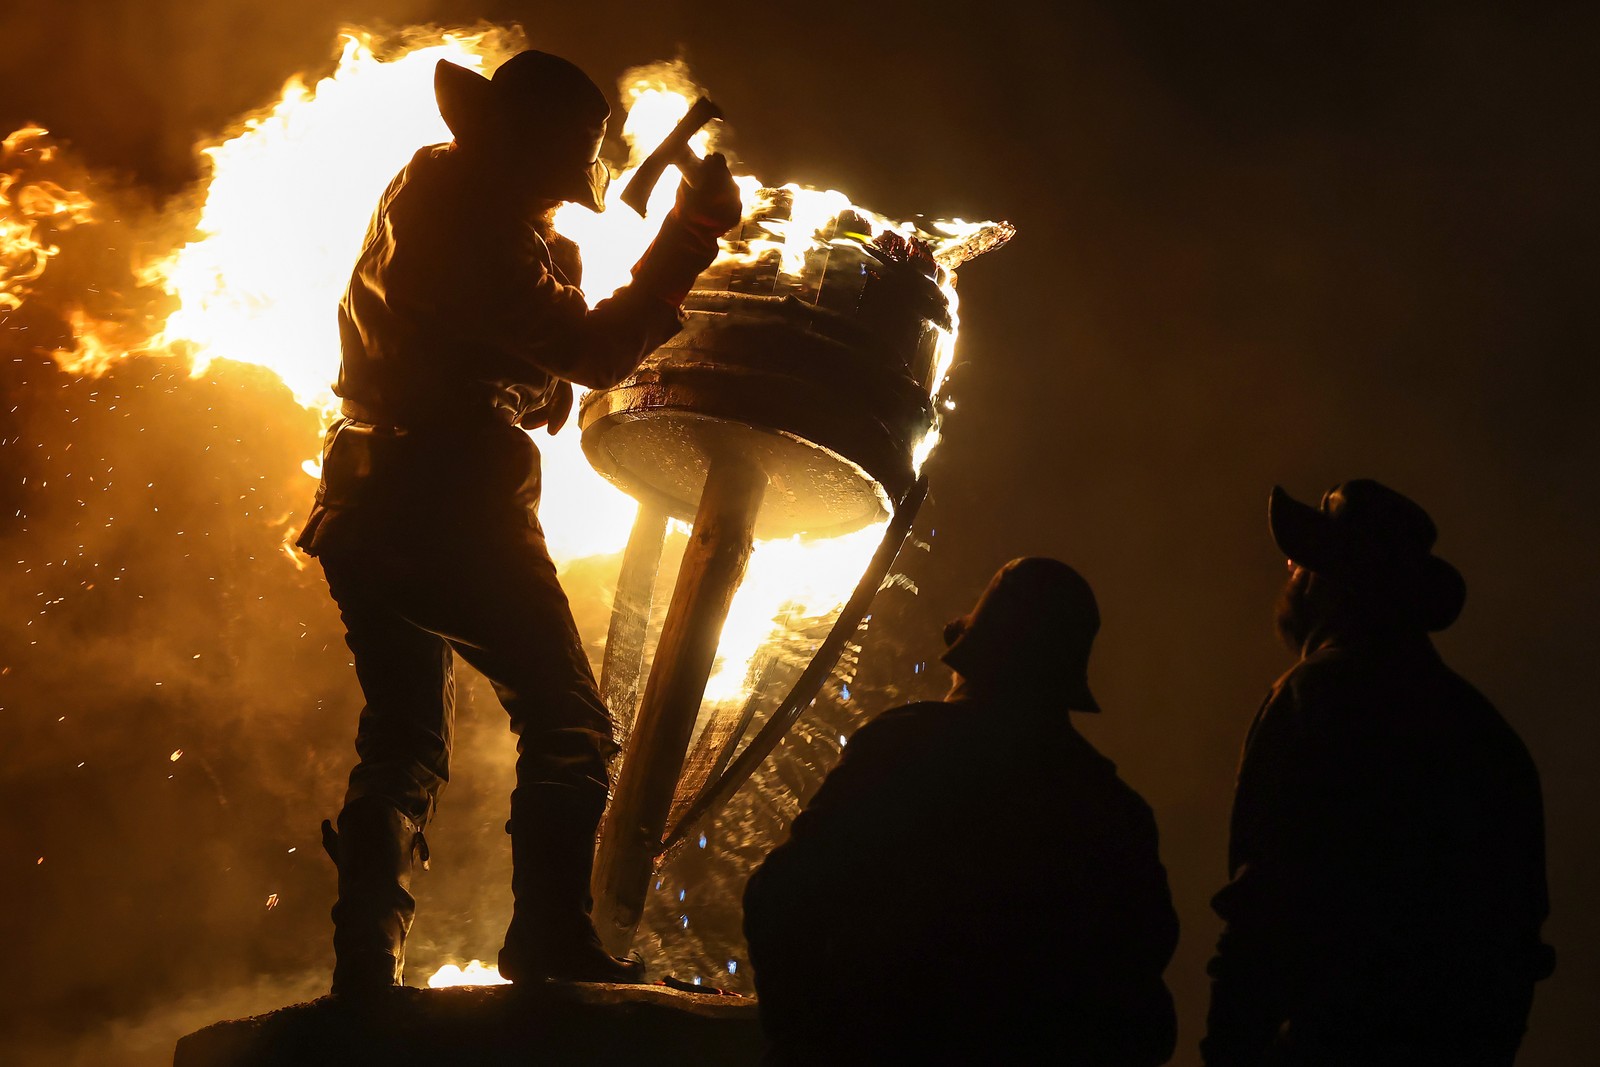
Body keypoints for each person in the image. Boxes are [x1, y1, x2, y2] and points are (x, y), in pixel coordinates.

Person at [295, 50, 743, 994]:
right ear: (540, 155)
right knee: (571, 722)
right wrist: (689, 234)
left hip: (364, 496)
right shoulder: (482, 232)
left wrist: (552, 292)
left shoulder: (432, 183)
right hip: (446, 497)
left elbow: (491, 346)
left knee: (404, 740)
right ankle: (547, 947)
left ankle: (364, 972)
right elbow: (590, 351)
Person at [743, 558, 1179, 1065]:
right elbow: (1141, 1009)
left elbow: (779, 895)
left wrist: (801, 1037)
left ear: (971, 656)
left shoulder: (901, 747)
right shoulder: (1116, 814)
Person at [1203, 480, 1555, 1066]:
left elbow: (1264, 910)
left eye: (1301, 562)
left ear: (1327, 579)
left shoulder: (1310, 699)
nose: (1291, 571)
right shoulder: (1485, 733)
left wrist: (1230, 1051)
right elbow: (1515, 940)